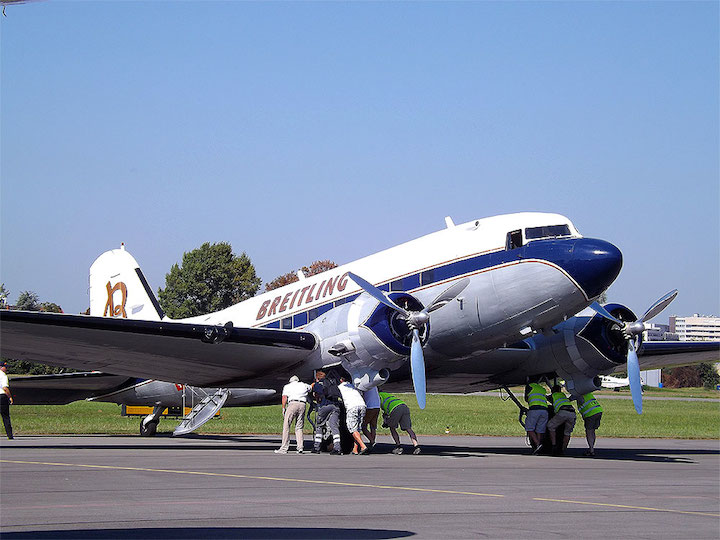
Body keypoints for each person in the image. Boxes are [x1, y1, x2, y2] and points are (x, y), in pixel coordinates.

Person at [275, 375, 311, 454]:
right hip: (302, 404)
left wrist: (283, 408)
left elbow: (284, 397)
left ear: (290, 381)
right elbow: (311, 387)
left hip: (292, 404)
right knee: (299, 427)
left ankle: (284, 448)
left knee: (286, 426)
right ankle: (300, 447)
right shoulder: (303, 385)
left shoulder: (287, 386)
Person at [311, 370, 342, 455]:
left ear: (317, 378)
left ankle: (316, 447)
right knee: (334, 426)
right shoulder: (332, 383)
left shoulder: (318, 384)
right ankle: (337, 448)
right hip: (336, 406)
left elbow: (317, 396)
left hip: (325, 406)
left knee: (319, 425)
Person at [337, 376, 369, 455]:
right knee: (358, 428)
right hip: (362, 405)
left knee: (352, 428)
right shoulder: (353, 386)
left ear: (341, 380)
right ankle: (355, 449)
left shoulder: (340, 387)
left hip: (352, 407)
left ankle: (363, 446)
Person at [546, 385, 576, 455]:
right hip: (572, 413)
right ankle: (563, 449)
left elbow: (547, 398)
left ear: (552, 391)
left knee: (550, 426)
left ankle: (554, 446)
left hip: (563, 411)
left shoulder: (553, 395)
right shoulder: (563, 395)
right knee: (567, 433)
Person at [524, 380, 548, 454]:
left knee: (529, 428)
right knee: (540, 430)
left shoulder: (529, 386)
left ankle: (537, 444)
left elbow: (526, 399)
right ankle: (539, 444)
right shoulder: (542, 388)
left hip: (534, 409)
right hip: (544, 410)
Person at [577, 392, 603, 457]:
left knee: (589, 431)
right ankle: (592, 448)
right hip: (598, 411)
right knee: (592, 431)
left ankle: (591, 450)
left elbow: (572, 399)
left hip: (590, 413)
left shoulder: (578, 394)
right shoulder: (588, 393)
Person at [0, 361, 13, 440]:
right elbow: (5, 388)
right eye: (5, 367)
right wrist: (10, 397)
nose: (6, 369)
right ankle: (9, 434)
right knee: (5, 416)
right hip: (1, 396)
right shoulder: (3, 375)